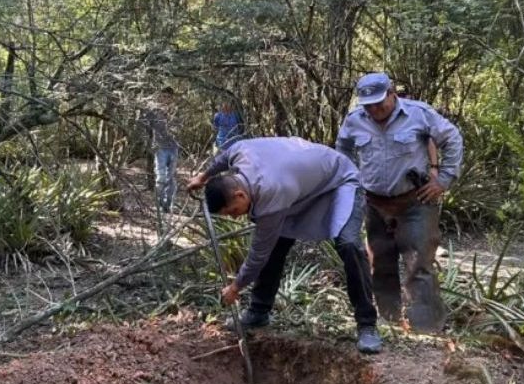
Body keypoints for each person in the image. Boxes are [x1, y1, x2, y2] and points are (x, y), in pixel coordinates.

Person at [187, 137, 382, 353]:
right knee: (276, 242)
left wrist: (235, 288)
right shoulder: (241, 152)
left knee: (349, 245)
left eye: (233, 211)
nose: (235, 218)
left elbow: (258, 254)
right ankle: (259, 311)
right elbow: (223, 157)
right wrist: (204, 176)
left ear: (240, 194)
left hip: (341, 182)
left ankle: (367, 325)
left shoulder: (271, 191)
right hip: (303, 190)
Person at [336, 72, 463, 332]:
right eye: (368, 105)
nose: (374, 110)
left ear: (392, 94)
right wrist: (351, 179)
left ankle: (427, 330)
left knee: (419, 265)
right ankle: (390, 323)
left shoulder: (418, 114)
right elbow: (343, 148)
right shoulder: (354, 121)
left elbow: (452, 138)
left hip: (414, 202)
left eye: (379, 103)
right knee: (380, 263)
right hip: (374, 205)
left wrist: (444, 179)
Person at [141, 87, 179, 213]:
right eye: (163, 96)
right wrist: (150, 143)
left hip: (173, 147)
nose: (165, 99)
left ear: (172, 98)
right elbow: (146, 127)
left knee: (171, 177)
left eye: (168, 97)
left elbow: (179, 128)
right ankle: (159, 204)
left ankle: (168, 204)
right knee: (161, 177)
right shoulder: (153, 111)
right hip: (160, 147)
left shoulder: (175, 112)